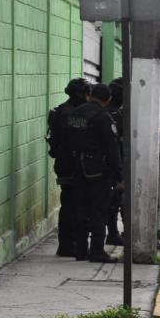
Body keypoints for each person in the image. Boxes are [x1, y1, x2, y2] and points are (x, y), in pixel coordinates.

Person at [67, 83, 124, 263]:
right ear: (107, 100)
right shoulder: (103, 117)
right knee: (99, 210)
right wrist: (120, 176)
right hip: (97, 169)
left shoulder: (74, 113)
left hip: (76, 166)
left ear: (90, 95)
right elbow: (112, 149)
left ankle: (81, 250)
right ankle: (97, 251)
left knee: (80, 209)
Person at [47, 78, 89, 257]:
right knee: (73, 205)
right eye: (86, 93)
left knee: (70, 203)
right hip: (72, 164)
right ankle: (68, 244)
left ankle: (67, 244)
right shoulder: (71, 115)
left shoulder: (62, 111)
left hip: (65, 163)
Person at [106, 77, 124, 246]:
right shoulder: (115, 116)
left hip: (102, 165)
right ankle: (112, 233)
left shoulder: (108, 113)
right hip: (114, 166)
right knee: (116, 202)